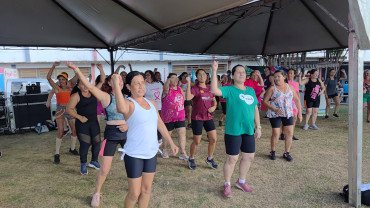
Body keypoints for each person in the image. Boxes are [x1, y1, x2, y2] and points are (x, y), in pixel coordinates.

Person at [111, 72, 178, 208]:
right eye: (136, 83)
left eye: (143, 82)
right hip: (134, 154)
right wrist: (116, 85)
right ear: (129, 87)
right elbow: (120, 108)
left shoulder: (151, 102)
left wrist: (171, 142)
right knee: (134, 193)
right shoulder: (129, 103)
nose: (141, 86)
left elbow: (159, 123)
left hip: (151, 152)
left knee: (146, 190)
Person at [69, 63, 129, 207]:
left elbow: (133, 116)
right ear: (110, 82)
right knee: (105, 169)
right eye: (116, 80)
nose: (119, 82)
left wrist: (128, 124)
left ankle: (134, 188)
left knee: (132, 164)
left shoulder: (127, 96)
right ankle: (96, 193)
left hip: (127, 134)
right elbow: (90, 87)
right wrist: (76, 69)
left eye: (121, 80)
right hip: (112, 133)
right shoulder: (106, 96)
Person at [210, 62, 262, 198]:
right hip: (233, 130)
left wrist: (259, 126)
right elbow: (214, 90)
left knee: (248, 156)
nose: (242, 74)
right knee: (232, 158)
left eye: (243, 72)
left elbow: (255, 109)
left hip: (249, 130)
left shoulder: (250, 90)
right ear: (233, 76)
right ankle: (227, 184)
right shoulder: (230, 89)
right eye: (238, 72)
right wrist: (214, 71)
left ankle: (241, 181)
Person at [263, 70, 302, 162]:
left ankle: (286, 153)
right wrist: (274, 108)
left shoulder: (290, 87)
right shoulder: (272, 88)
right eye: (275, 77)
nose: (276, 78)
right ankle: (273, 151)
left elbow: (297, 100)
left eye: (278, 76)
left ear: (284, 77)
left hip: (288, 113)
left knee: (289, 133)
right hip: (275, 113)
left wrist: (299, 113)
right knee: (276, 133)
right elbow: (264, 101)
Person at [67, 75, 101, 175]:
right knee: (85, 144)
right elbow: (69, 109)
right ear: (78, 86)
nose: (85, 86)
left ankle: (94, 161)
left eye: (86, 83)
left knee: (97, 142)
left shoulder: (93, 92)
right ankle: (83, 164)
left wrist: (101, 70)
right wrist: (80, 117)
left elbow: (102, 81)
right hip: (82, 124)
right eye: (82, 84)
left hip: (93, 122)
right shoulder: (76, 96)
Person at [186, 69, 218, 170]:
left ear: (206, 76)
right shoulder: (195, 88)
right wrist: (188, 84)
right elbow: (187, 98)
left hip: (208, 117)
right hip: (197, 118)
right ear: (197, 77)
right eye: (199, 74)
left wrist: (213, 107)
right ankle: (191, 158)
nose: (202, 76)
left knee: (213, 139)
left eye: (203, 74)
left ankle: (210, 158)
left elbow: (214, 102)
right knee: (197, 141)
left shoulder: (210, 88)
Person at [47, 62, 78, 164]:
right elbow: (48, 78)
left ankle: (72, 149)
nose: (61, 81)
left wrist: (73, 67)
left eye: (63, 79)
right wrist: (53, 66)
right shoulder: (57, 89)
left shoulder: (71, 88)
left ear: (66, 80)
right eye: (59, 79)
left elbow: (77, 75)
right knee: (60, 132)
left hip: (70, 109)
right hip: (60, 109)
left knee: (74, 131)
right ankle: (57, 154)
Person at [160, 73, 189, 160]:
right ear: (168, 80)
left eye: (176, 78)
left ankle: (183, 152)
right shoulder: (166, 90)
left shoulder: (179, 89)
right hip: (168, 117)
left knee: (182, 134)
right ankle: (164, 149)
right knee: (167, 134)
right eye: (173, 78)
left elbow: (184, 99)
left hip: (180, 116)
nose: (175, 80)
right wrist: (169, 79)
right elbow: (165, 88)